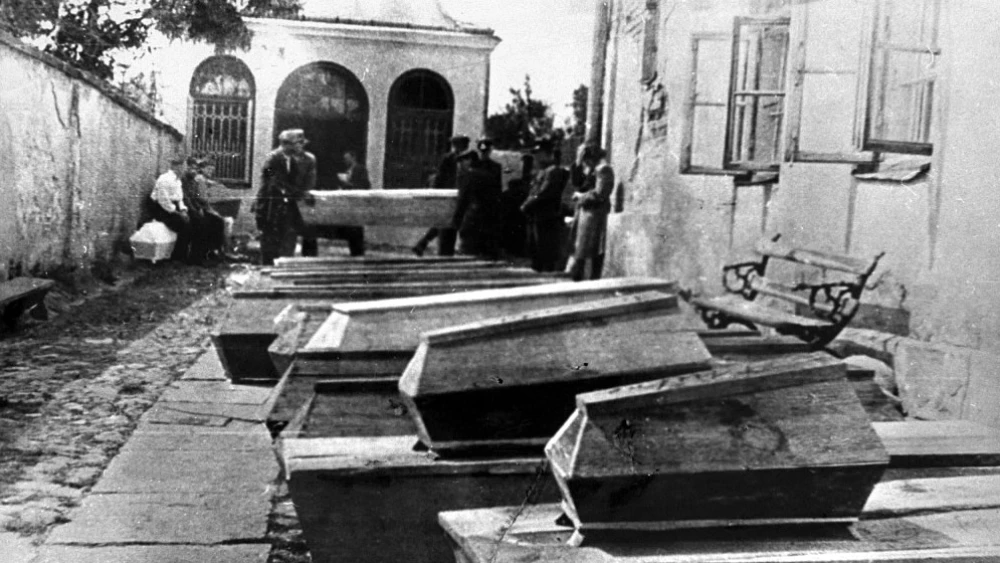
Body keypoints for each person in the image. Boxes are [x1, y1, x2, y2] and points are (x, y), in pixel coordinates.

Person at [253, 129, 317, 265]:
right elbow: (272, 180)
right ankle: (267, 269)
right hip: (270, 204)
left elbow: (295, 181)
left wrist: (300, 192)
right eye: (297, 144)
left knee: (288, 237)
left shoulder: (292, 160)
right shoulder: (272, 158)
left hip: (286, 205)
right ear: (286, 144)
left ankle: (283, 266)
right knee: (270, 240)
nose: (300, 147)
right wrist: (296, 192)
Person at [412, 135, 469, 256]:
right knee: (447, 222)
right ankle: (426, 244)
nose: (460, 148)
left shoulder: (467, 160)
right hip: (448, 194)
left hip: (461, 194)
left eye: (463, 145)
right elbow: (440, 177)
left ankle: (423, 243)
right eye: (458, 145)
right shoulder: (448, 158)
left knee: (450, 222)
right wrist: (437, 194)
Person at [565, 143, 614, 281]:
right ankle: (579, 279)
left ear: (593, 158)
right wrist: (577, 161)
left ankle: (591, 280)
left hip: (595, 215)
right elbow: (577, 181)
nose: (586, 163)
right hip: (586, 214)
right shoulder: (593, 170)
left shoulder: (604, 169)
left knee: (591, 251)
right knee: (581, 249)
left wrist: (581, 196)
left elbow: (600, 193)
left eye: (587, 159)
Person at [520, 140, 569, 272]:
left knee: (545, 250)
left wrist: (527, 204)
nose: (536, 156)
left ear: (547, 154)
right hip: (538, 215)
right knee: (536, 249)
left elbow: (544, 193)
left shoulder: (553, 171)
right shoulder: (543, 171)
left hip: (547, 216)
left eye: (538, 153)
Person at [453, 150, 502, 259]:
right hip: (489, 220)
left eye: (462, 161)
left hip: (473, 219)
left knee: (468, 254)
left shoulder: (468, 176)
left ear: (469, 161)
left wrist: (456, 220)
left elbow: (463, 200)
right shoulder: (488, 174)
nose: (460, 165)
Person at [184, 158, 228, 264]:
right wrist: (206, 208)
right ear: (202, 169)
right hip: (196, 208)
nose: (210, 172)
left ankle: (212, 251)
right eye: (208, 169)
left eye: (212, 170)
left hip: (198, 207)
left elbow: (201, 191)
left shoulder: (200, 178)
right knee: (216, 222)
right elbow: (200, 197)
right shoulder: (199, 179)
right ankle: (209, 252)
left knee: (217, 221)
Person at [150, 155, 193, 263]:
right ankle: (176, 256)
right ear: (177, 167)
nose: (185, 169)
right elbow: (163, 201)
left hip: (172, 206)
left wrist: (183, 210)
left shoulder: (178, 180)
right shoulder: (165, 179)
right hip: (160, 208)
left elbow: (180, 198)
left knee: (192, 219)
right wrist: (177, 213)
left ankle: (185, 254)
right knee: (183, 224)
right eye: (184, 166)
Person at [332, 150, 369, 256]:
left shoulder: (360, 169)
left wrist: (348, 184)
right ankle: (354, 251)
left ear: (353, 157)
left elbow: (365, 185)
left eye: (347, 158)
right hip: (349, 203)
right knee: (351, 229)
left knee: (356, 228)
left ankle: (358, 252)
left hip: (357, 203)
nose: (345, 161)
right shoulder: (348, 170)